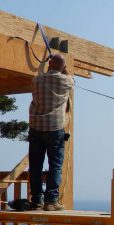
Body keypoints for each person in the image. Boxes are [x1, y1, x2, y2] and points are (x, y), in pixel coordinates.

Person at [28, 53, 73, 211]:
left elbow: (42, 76)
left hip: (36, 126)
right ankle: (51, 201)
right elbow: (70, 78)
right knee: (55, 165)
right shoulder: (66, 81)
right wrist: (64, 69)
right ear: (63, 67)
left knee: (35, 165)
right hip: (54, 128)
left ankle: (36, 199)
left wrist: (51, 65)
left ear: (49, 65)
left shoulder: (36, 80)